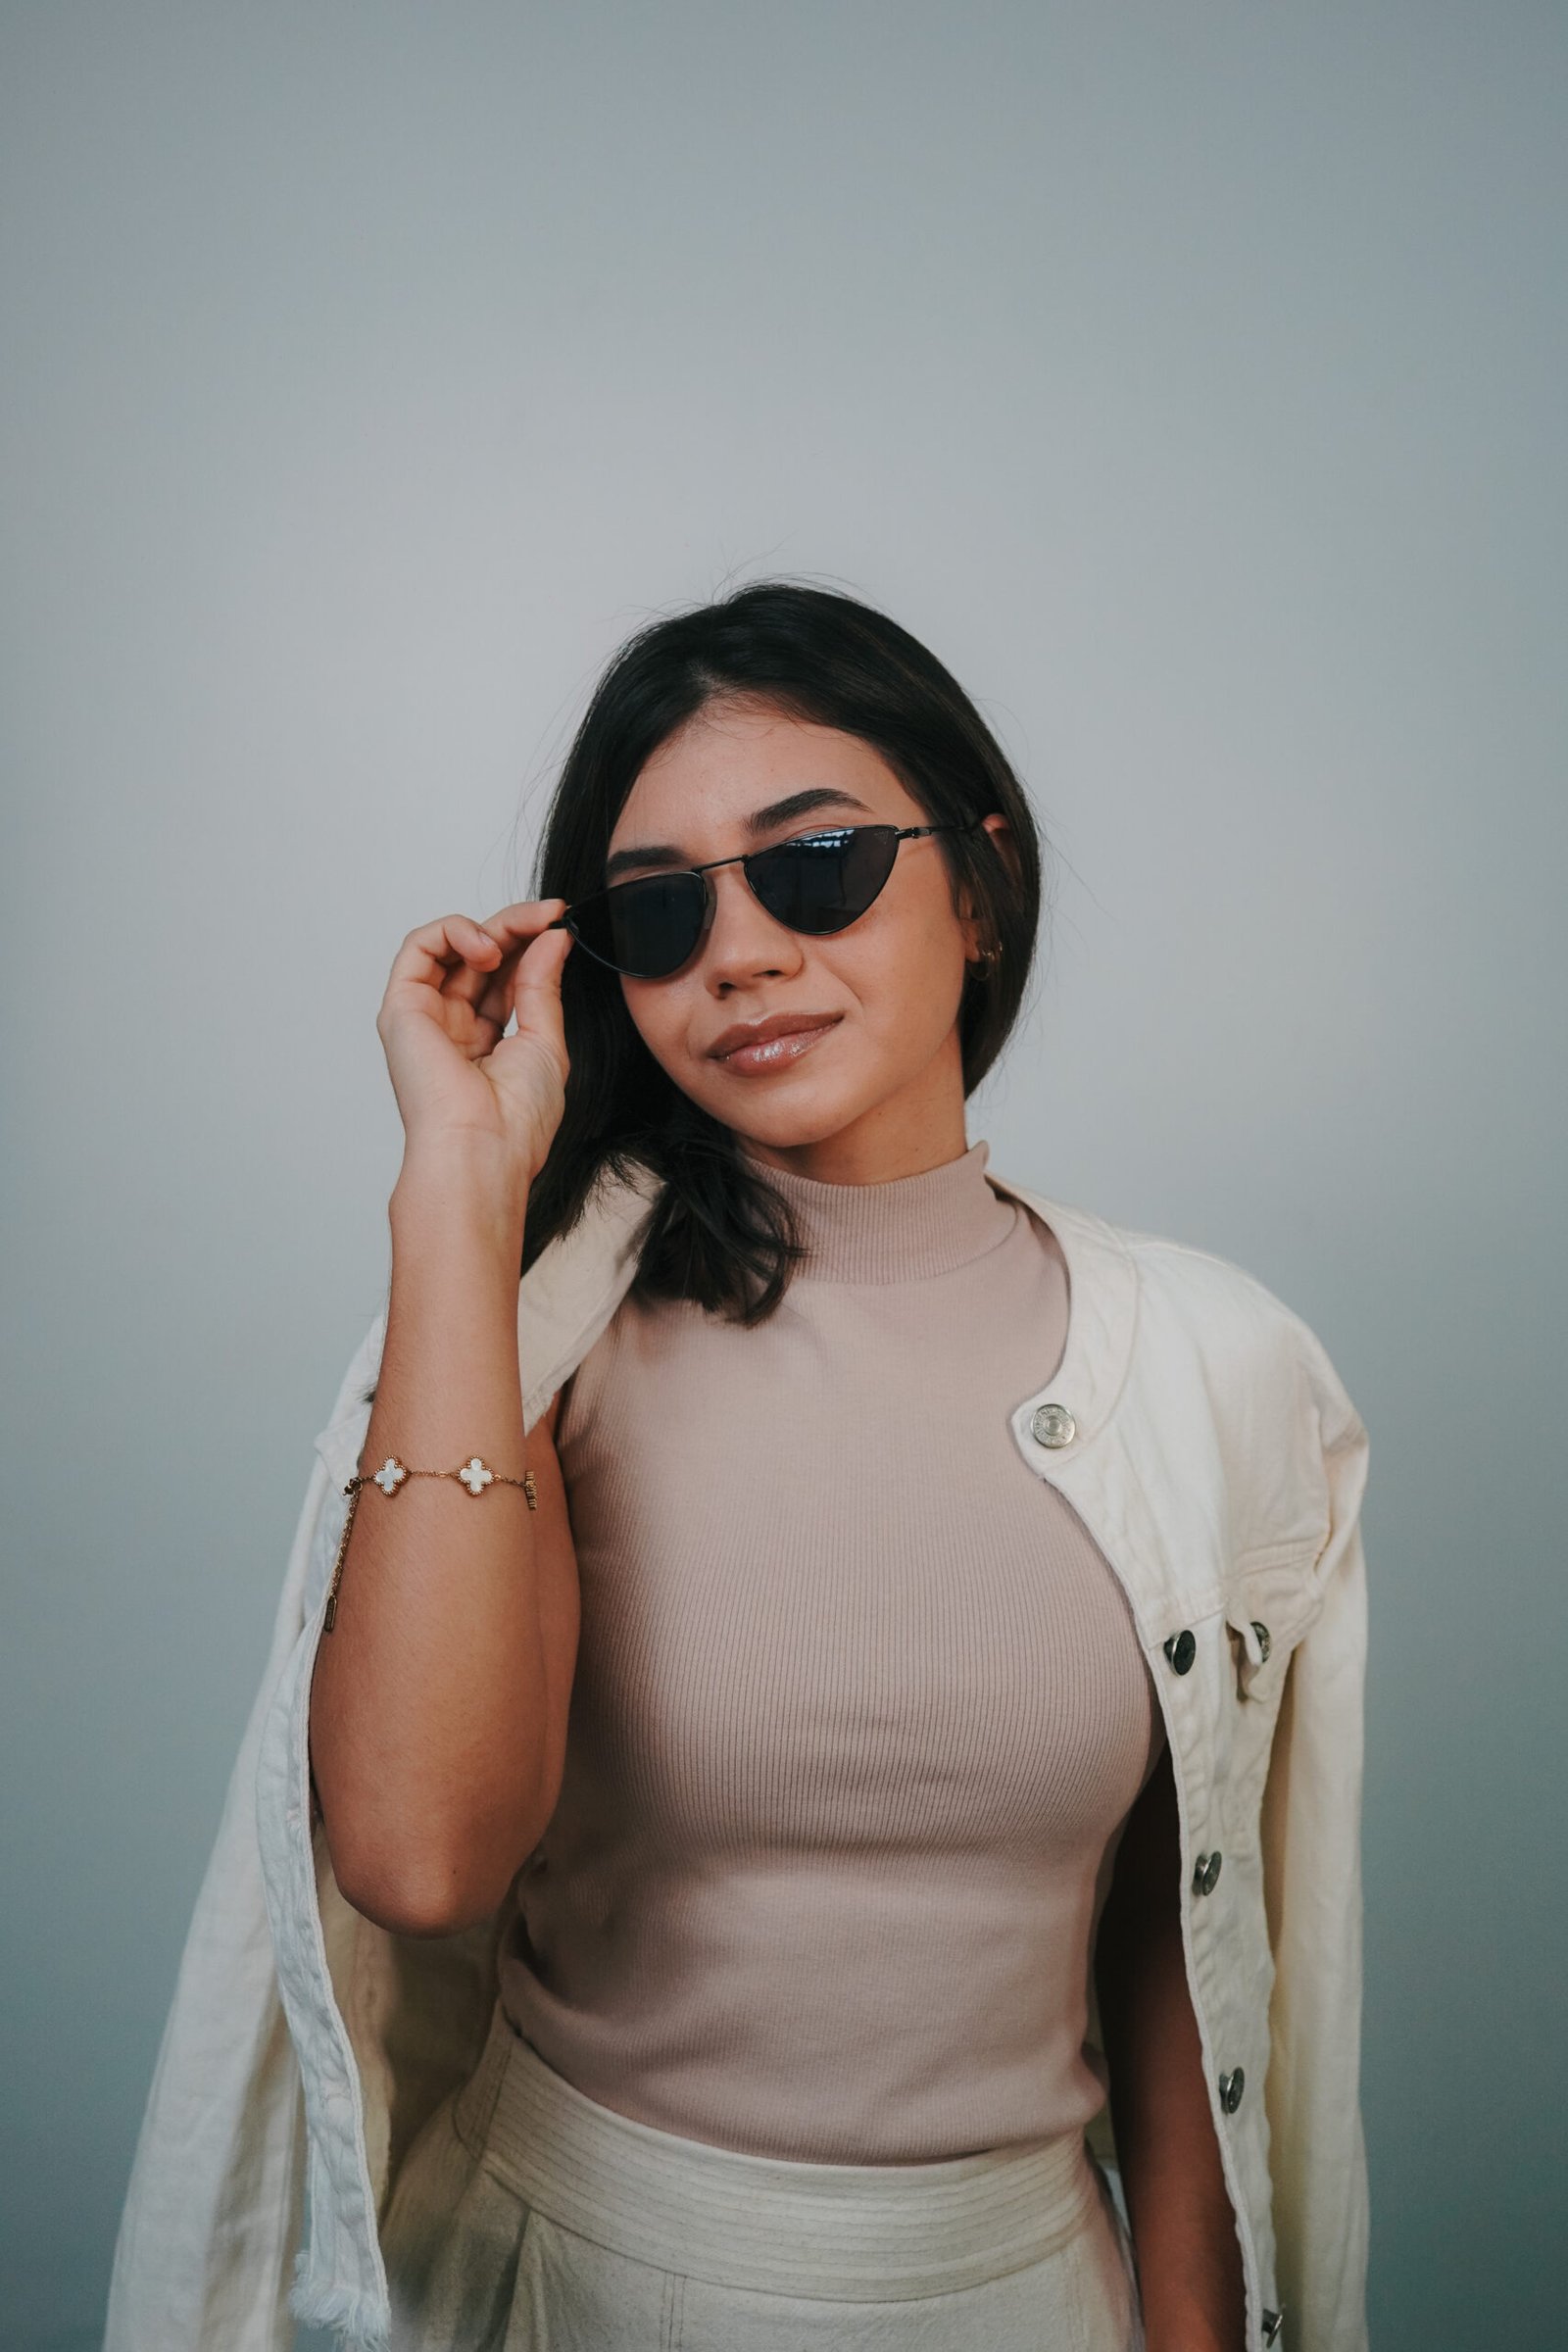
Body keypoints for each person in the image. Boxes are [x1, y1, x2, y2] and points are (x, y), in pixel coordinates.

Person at [105, 582, 1370, 2352]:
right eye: (662, 907)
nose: (743, 952)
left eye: (818, 864)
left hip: (1025, 2290)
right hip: (574, 2287)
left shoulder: (1212, 1372)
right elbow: (416, 1854)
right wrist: (461, 1193)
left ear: (981, 886)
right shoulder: (544, 1343)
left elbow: (1189, 1981)